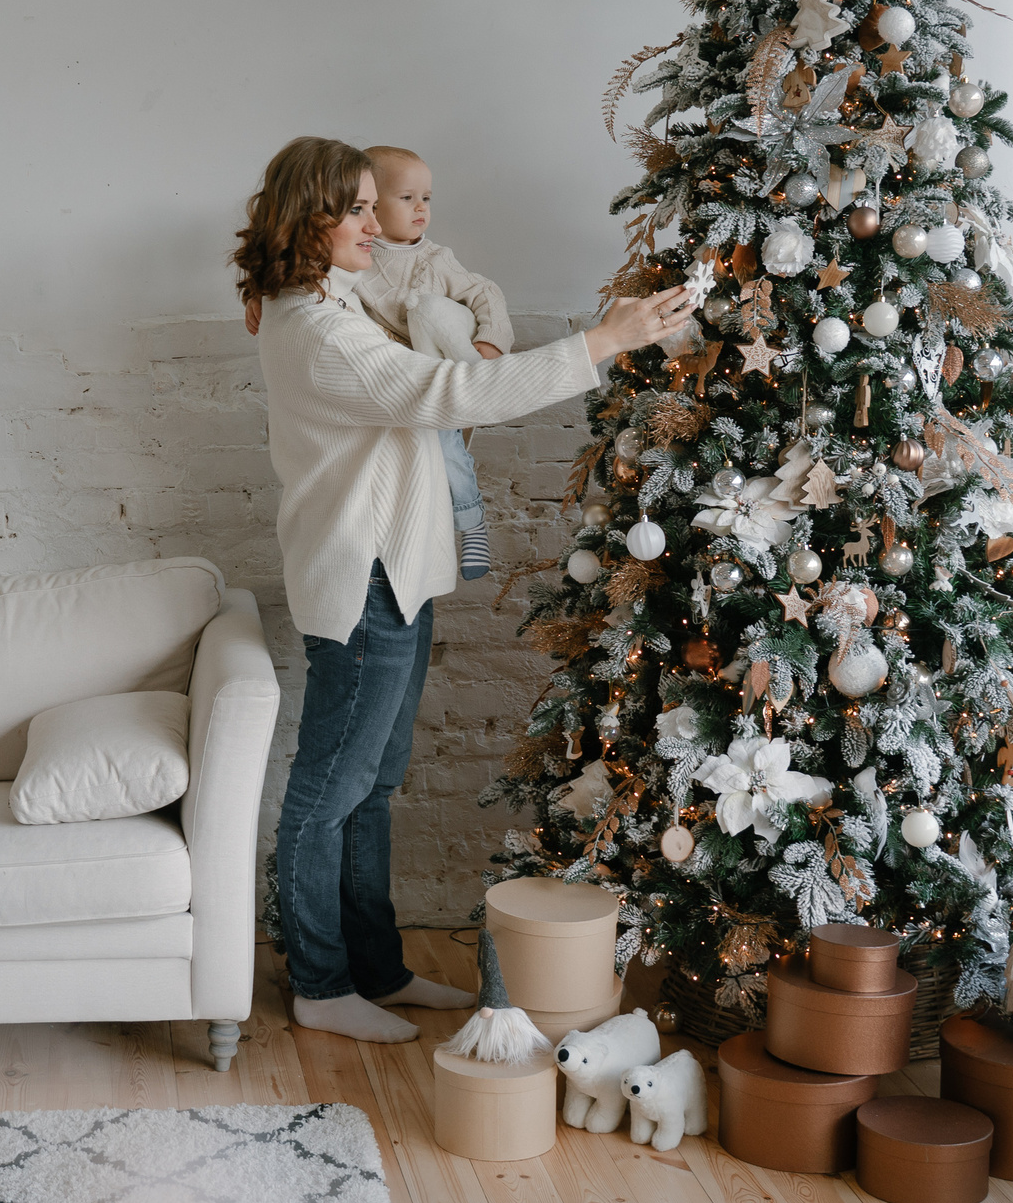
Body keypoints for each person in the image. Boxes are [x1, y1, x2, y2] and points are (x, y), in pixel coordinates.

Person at [234, 135, 694, 1044]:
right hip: (362, 581)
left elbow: (419, 298)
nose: (377, 225)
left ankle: (375, 966)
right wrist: (602, 340)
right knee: (329, 788)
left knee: (373, 783)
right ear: (312, 219)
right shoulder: (319, 330)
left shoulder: (333, 296)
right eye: (357, 209)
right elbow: (449, 389)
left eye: (376, 204)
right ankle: (321, 982)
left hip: (393, 572)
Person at [355, 145, 510, 580]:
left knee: (423, 307)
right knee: (438, 440)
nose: (421, 207)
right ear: (370, 203)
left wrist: (490, 345)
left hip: (453, 349)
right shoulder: (357, 260)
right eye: (406, 198)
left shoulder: (436, 259)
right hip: (424, 381)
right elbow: (299, 267)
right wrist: (256, 290)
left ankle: (483, 384)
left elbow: (486, 293)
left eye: (426, 197)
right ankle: (470, 520)